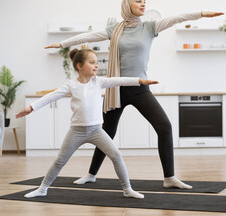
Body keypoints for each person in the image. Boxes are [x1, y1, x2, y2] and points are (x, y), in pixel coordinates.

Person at [45, 0, 224, 189]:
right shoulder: (115, 29)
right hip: (116, 89)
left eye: (144, 1)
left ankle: (169, 177)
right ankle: (91, 174)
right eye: (138, 1)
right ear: (127, 4)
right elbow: (89, 36)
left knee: (164, 127)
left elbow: (176, 18)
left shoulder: (150, 27)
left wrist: (202, 13)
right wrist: (62, 43)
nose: (143, 4)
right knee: (105, 133)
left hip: (139, 88)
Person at [16, 48, 158, 199]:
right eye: (92, 62)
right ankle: (43, 188)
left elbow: (120, 80)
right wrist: (31, 107)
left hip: (96, 130)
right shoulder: (71, 85)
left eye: (96, 62)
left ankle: (127, 189)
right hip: (76, 132)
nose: (96, 65)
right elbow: (51, 96)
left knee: (116, 155)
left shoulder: (98, 82)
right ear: (79, 66)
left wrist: (140, 81)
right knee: (60, 161)